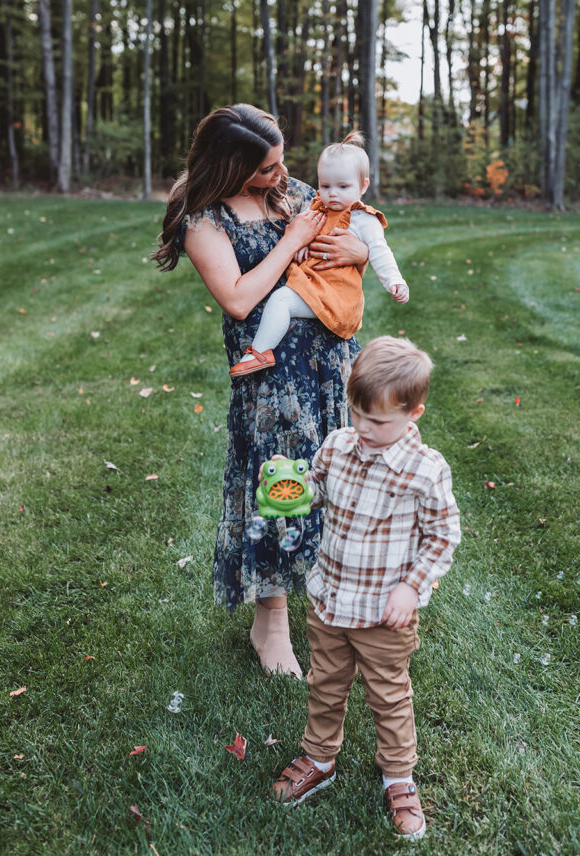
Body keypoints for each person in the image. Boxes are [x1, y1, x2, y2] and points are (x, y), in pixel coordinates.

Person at [153, 104, 369, 680]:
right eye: (268, 167)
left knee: (337, 476)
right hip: (272, 377)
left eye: (281, 161)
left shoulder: (292, 193)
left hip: (332, 359)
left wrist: (361, 252)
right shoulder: (205, 220)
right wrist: (293, 237)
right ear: (232, 166)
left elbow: (350, 225)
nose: (283, 174)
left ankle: (335, 595)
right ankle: (271, 622)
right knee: (282, 485)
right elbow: (239, 298)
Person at [271, 336, 461, 839]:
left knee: (388, 696)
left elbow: (444, 537)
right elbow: (317, 490)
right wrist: (294, 492)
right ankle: (319, 759)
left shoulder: (425, 470)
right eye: (356, 414)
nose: (364, 429)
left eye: (378, 421)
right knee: (325, 684)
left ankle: (398, 778)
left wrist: (412, 587)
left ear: (413, 413)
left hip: (383, 613)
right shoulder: (338, 445)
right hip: (330, 598)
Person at [228, 132, 409, 377]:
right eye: (325, 186)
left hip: (336, 295)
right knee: (282, 300)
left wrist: (394, 281)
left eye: (343, 187)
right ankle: (260, 353)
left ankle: (259, 353)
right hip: (315, 286)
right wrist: (303, 244)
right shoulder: (318, 209)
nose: (332, 193)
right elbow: (304, 233)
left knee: (281, 300)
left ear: (363, 185)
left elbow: (380, 251)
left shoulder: (364, 219)